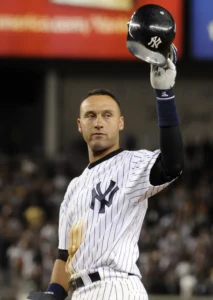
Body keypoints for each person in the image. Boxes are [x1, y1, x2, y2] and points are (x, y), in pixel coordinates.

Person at [28, 46, 184, 299]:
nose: (98, 122)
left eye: (107, 115)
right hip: (81, 292)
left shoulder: (132, 164)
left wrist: (164, 94)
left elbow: (173, 163)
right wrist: (53, 294)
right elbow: (64, 256)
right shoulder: (74, 187)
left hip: (117, 286)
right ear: (80, 125)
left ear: (120, 122)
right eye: (90, 116)